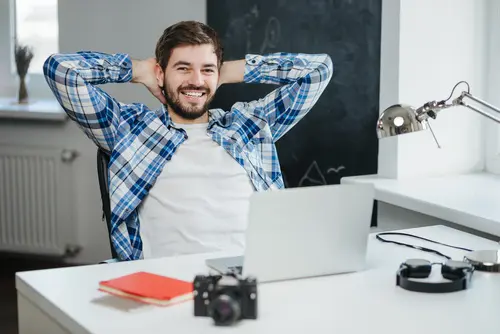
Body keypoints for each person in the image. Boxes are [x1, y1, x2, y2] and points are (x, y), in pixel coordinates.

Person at [43, 20, 333, 261]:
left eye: (206, 69)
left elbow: (318, 71)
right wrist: (138, 70)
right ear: (161, 72)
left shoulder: (250, 125)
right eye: (183, 68)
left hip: (255, 275)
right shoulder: (127, 129)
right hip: (165, 283)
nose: (196, 80)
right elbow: (61, 71)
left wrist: (230, 70)